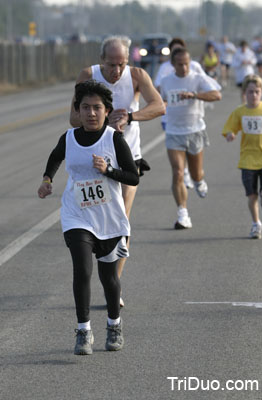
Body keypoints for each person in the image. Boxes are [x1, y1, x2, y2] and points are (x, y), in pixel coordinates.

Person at [38, 80, 139, 355]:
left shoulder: (113, 139)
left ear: (106, 111)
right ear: (77, 111)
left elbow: (133, 176)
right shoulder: (68, 138)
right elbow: (56, 157)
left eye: (97, 108)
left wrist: (108, 171)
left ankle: (114, 325)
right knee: (82, 270)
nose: (91, 113)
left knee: (109, 279)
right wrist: (47, 179)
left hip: (109, 219)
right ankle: (83, 331)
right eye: (85, 108)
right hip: (77, 215)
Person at [70, 35, 165, 306]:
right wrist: (101, 120)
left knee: (121, 219)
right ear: (102, 61)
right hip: (94, 163)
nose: (117, 71)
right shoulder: (89, 75)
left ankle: (114, 285)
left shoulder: (137, 75)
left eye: (122, 63)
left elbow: (159, 106)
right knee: (92, 222)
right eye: (112, 64)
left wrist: (130, 116)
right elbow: (74, 117)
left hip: (127, 159)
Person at [160, 47, 221, 229]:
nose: (184, 68)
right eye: (180, 64)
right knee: (178, 172)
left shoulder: (197, 78)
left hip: (195, 131)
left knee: (196, 174)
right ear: (173, 64)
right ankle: (182, 213)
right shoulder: (166, 81)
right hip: (174, 132)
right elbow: (159, 100)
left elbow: (217, 95)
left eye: (186, 63)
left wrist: (194, 95)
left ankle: (199, 180)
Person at [154, 37, 207, 190]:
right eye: (173, 50)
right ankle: (183, 173)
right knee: (177, 158)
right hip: (170, 117)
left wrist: (194, 94)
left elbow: (203, 83)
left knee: (194, 161)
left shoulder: (195, 66)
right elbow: (158, 88)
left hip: (192, 118)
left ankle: (193, 176)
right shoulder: (164, 68)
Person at [222, 74, 262, 239]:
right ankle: (256, 224)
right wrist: (230, 134)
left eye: (256, 92)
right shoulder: (240, 111)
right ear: (244, 93)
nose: (253, 95)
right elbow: (230, 128)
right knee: (252, 195)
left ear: (261, 92)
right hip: (248, 160)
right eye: (250, 92)